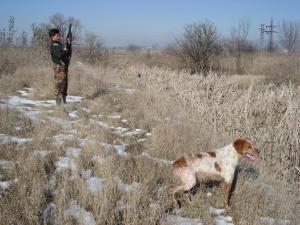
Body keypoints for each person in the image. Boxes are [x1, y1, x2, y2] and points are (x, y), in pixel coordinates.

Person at [48, 28, 71, 105]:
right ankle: (58, 103)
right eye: (57, 36)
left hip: (63, 66)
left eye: (59, 35)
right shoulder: (54, 45)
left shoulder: (59, 44)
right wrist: (65, 50)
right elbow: (60, 55)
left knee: (64, 84)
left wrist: (68, 44)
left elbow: (68, 54)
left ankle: (64, 100)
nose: (59, 37)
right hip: (59, 67)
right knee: (59, 84)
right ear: (52, 37)